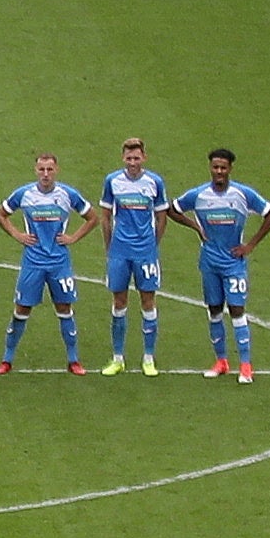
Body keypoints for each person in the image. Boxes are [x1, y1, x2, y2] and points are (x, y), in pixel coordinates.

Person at [169, 149, 270, 380]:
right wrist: (196, 227)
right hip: (209, 262)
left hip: (234, 263)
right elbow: (172, 210)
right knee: (215, 311)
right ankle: (221, 362)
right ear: (210, 167)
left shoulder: (243, 194)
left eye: (223, 167)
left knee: (237, 311)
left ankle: (246, 366)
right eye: (215, 167)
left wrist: (250, 245)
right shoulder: (198, 195)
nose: (219, 171)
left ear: (230, 169)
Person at [2, 150, 88, 373]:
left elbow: (92, 217)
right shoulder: (24, 194)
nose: (46, 174)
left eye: (50, 169)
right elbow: (1, 215)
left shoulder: (68, 194)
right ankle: (6, 359)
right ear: (36, 170)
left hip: (59, 262)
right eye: (42, 169)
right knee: (22, 308)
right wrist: (17, 235)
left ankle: (73, 360)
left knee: (64, 307)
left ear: (56, 170)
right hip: (33, 261)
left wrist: (73, 238)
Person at [91, 136, 171, 374]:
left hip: (145, 251)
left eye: (136, 158)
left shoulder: (155, 182)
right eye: (129, 158)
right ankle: (117, 358)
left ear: (144, 158)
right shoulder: (112, 181)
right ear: (123, 158)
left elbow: (161, 217)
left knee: (148, 301)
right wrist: (109, 246)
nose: (133, 162)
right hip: (120, 251)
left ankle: (148, 358)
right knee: (119, 302)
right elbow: (105, 216)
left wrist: (152, 245)